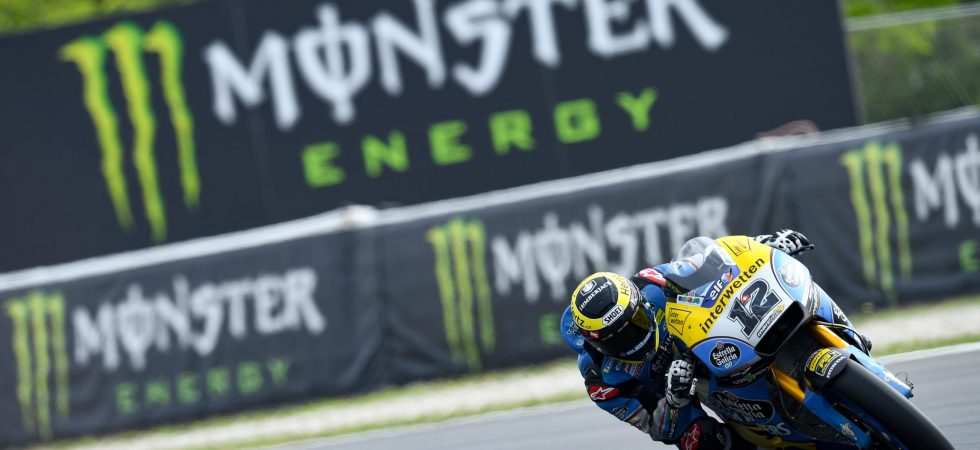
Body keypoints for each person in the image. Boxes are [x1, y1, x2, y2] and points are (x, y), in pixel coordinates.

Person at [560, 230, 870, 449]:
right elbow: (658, 428)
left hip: (713, 345)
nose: (634, 337)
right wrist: (675, 399)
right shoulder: (602, 382)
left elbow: (711, 265)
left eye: (637, 321)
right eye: (617, 339)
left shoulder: (651, 283)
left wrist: (762, 245)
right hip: (690, 390)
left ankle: (842, 336)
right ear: (596, 344)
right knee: (701, 441)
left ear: (639, 302)